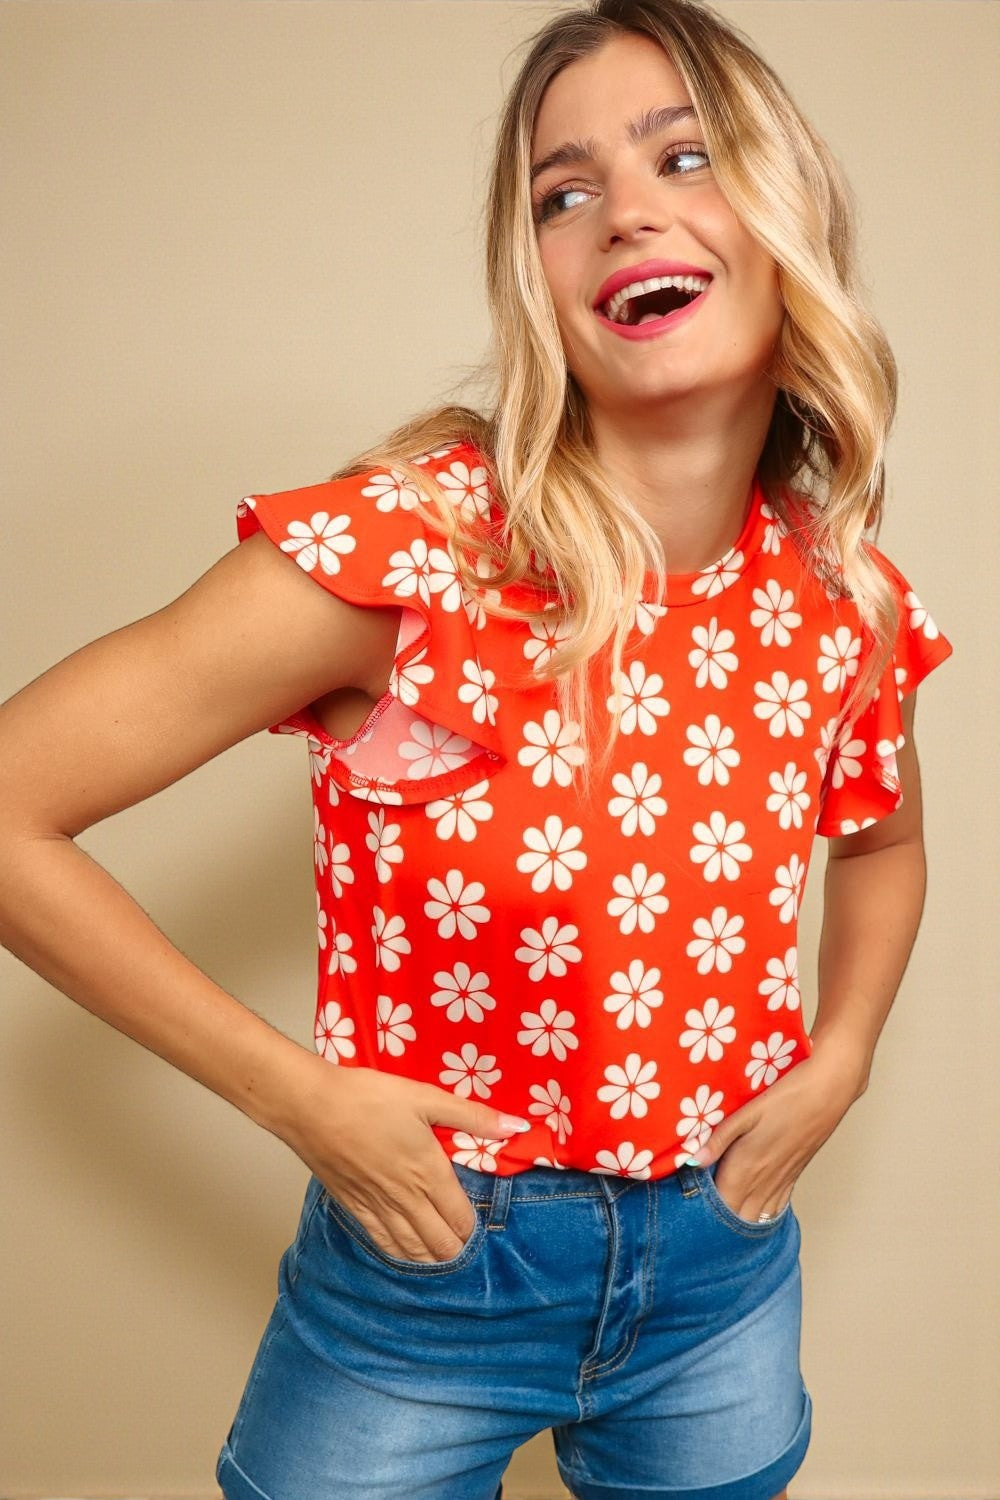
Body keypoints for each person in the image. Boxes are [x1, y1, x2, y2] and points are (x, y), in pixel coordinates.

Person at [0, 1, 953, 1497]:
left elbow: (882, 842)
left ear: (791, 217)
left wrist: (842, 1058)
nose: (622, 210)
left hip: (725, 1275)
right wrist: (299, 1101)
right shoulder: (413, 551)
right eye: (561, 194)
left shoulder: (847, 593)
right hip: (429, 1276)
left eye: (684, 157)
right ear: (540, 279)